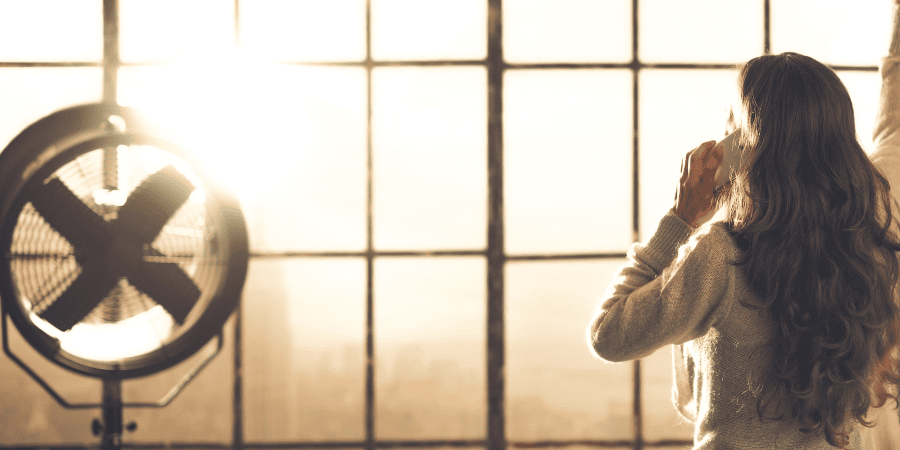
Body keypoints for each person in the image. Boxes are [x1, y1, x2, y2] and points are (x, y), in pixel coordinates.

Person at [587, 3, 900, 449]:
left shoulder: (722, 256)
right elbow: (894, 125)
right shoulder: (873, 242)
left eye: (731, 122)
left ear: (747, 145)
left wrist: (679, 221)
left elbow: (609, 334)